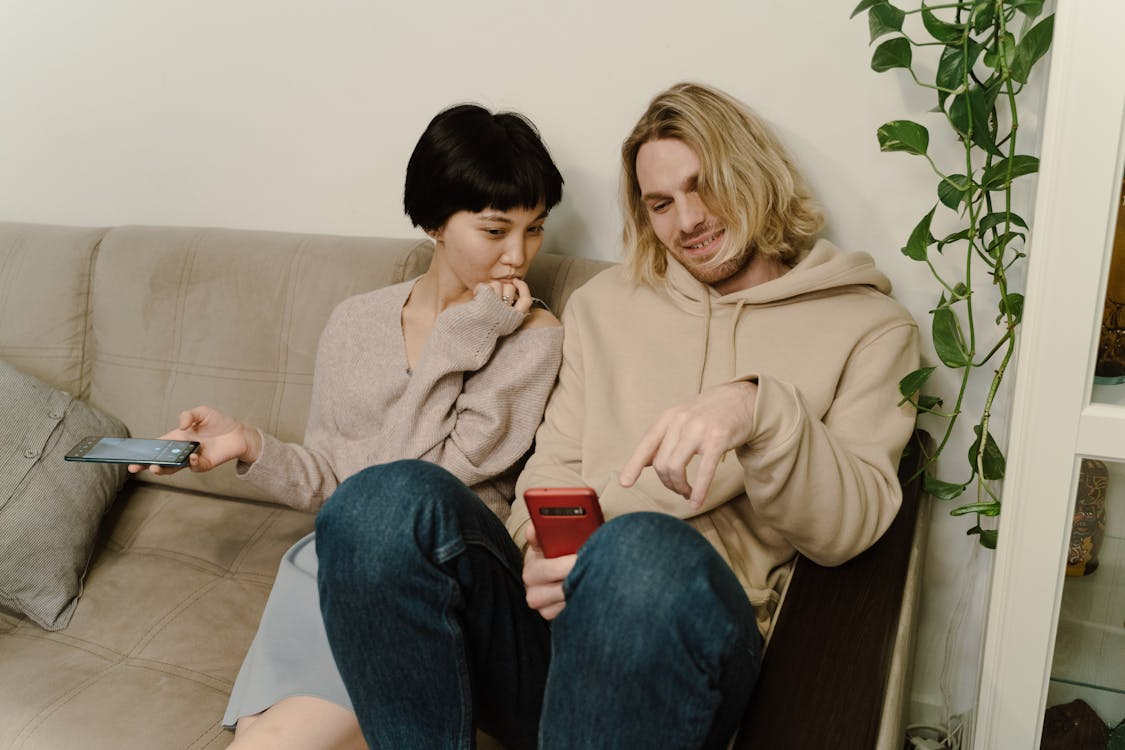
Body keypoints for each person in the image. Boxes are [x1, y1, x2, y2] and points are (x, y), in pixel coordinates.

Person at [315, 81, 920, 749]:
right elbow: (551, 472)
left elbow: (849, 528)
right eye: (660, 204)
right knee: (375, 500)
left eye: (704, 186)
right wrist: (537, 552)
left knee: (635, 552)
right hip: (551, 631)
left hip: (687, 647)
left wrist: (760, 409)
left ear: (758, 175)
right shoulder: (605, 306)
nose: (687, 222)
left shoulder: (869, 327)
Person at [129, 103, 566, 750]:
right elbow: (341, 487)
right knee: (262, 737)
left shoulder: (532, 336)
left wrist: (459, 338)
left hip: (432, 585)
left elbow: (410, 492)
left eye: (534, 230)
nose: (517, 257)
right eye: (495, 230)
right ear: (431, 222)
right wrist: (248, 442)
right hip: (332, 562)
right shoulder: (355, 322)